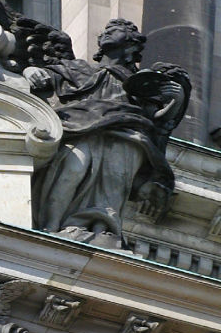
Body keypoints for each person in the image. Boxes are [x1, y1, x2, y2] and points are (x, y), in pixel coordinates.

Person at [26, 18, 190, 248]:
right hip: (80, 131)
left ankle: (102, 230)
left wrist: (176, 100)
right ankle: (50, 229)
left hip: (127, 137)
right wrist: (30, 70)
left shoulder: (139, 83)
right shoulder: (78, 68)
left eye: (115, 31)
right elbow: (45, 80)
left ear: (132, 45)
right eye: (106, 31)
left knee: (113, 188)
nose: (106, 33)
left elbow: (156, 123)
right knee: (72, 170)